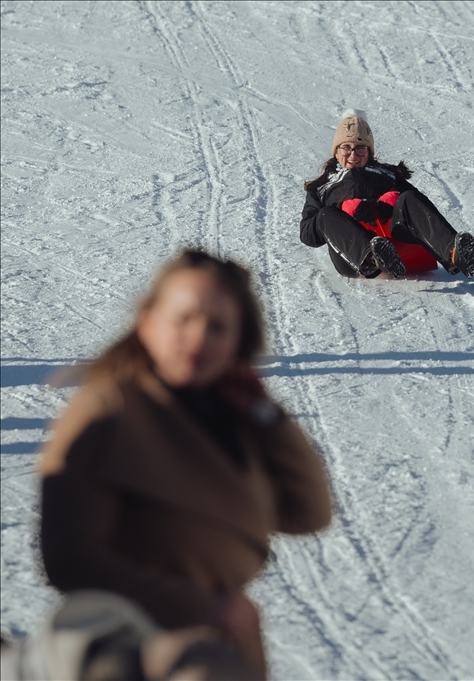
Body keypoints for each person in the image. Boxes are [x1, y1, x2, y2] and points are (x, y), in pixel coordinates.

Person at [37, 249, 334, 677]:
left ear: (237, 345)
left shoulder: (225, 419)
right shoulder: (107, 411)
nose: (198, 339)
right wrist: (205, 607)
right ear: (148, 323)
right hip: (144, 653)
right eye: (184, 319)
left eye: (218, 328)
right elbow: (70, 555)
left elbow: (308, 513)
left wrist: (266, 415)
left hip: (227, 647)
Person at [300, 109, 474, 279]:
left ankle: (454, 253)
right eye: (346, 147)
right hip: (354, 257)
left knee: (409, 197)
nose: (353, 155)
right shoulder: (321, 187)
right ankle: (373, 257)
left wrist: (394, 198)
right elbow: (307, 233)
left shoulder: (387, 174)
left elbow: (420, 206)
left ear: (369, 151)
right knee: (324, 215)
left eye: (360, 148)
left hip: (402, 247)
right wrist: (340, 209)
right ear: (336, 151)